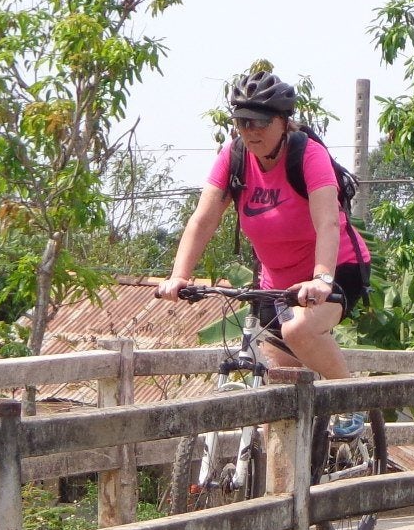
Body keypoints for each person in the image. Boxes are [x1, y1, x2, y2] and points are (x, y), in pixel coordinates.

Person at [155, 70, 370, 384]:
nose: (250, 131)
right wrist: (179, 276)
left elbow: (327, 223)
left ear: (283, 121)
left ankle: (350, 403)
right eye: (242, 122)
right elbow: (202, 220)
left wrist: (322, 279)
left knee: (299, 330)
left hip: (337, 268)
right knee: (281, 386)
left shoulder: (309, 155)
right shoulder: (234, 157)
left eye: (260, 122)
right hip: (277, 284)